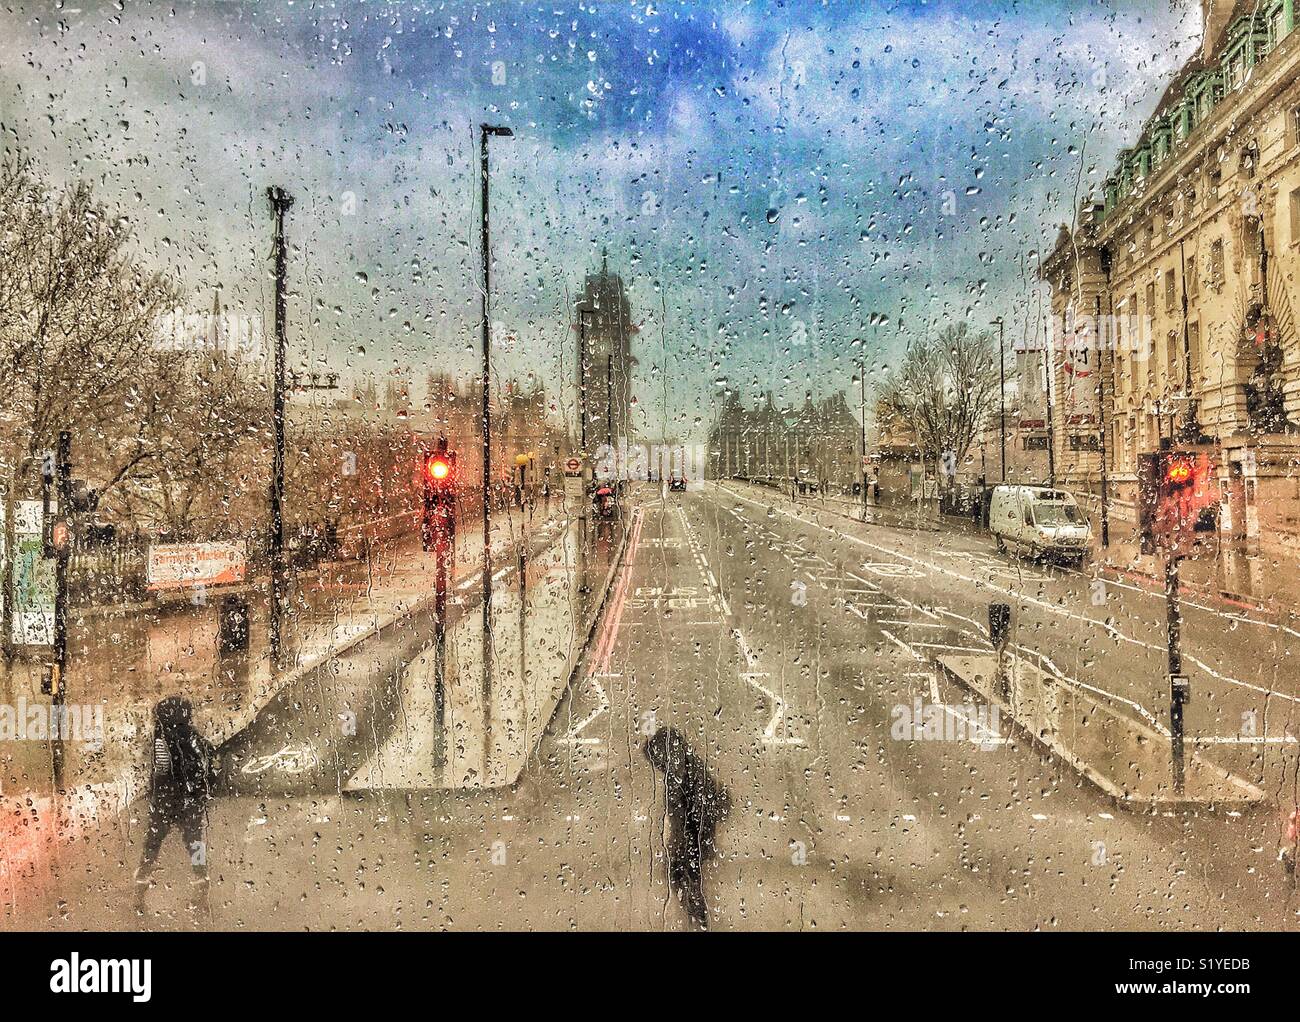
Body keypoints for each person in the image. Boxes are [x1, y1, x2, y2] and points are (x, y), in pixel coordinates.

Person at [134, 696, 218, 916]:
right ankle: (201, 875)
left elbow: (160, 768)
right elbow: (203, 763)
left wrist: (156, 791)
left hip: (166, 799)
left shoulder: (161, 736)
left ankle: (143, 876)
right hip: (188, 800)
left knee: (153, 839)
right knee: (194, 840)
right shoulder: (191, 736)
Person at [642, 726, 731, 928]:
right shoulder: (686, 765)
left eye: (660, 760)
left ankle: (699, 921)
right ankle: (697, 917)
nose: (658, 766)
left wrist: (677, 846)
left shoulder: (681, 777)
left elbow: (684, 818)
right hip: (694, 839)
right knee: (686, 882)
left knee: (683, 880)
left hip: (694, 841)